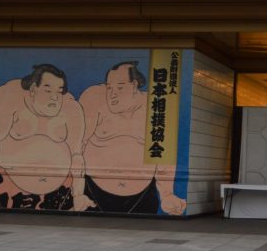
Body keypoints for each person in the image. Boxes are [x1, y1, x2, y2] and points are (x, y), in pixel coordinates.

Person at [0, 64, 87, 211]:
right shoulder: (7, 97)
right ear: (33, 89)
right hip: (5, 184)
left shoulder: (72, 109)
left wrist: (79, 193)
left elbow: (76, 156)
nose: (55, 97)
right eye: (48, 90)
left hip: (57, 191)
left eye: (59, 92)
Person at [77, 62, 186, 215]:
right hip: (94, 191)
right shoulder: (94, 99)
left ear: (134, 85)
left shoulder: (155, 107)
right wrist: (76, 191)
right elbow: (77, 147)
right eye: (109, 87)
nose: (113, 93)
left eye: (120, 87)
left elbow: (163, 155)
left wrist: (167, 194)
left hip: (142, 194)